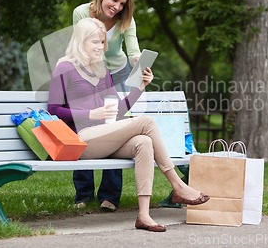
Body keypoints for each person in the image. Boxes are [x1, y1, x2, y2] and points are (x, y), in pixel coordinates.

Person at [48, 18, 209, 232]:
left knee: (143, 142)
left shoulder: (101, 70)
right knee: (146, 122)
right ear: (81, 41)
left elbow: (118, 110)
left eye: (102, 42)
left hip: (103, 138)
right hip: (81, 139)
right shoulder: (65, 67)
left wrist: (140, 87)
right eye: (95, 42)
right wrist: (90, 113)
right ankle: (177, 184)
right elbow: (53, 110)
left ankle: (143, 215)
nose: (100, 47)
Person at [71, 0, 140, 212]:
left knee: (114, 130)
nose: (117, 7)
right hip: (88, 72)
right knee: (84, 128)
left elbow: (133, 49)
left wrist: (139, 60)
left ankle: (110, 195)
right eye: (114, 0)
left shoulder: (125, 20)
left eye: (122, 4)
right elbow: (82, 45)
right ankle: (83, 193)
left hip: (118, 75)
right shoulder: (81, 13)